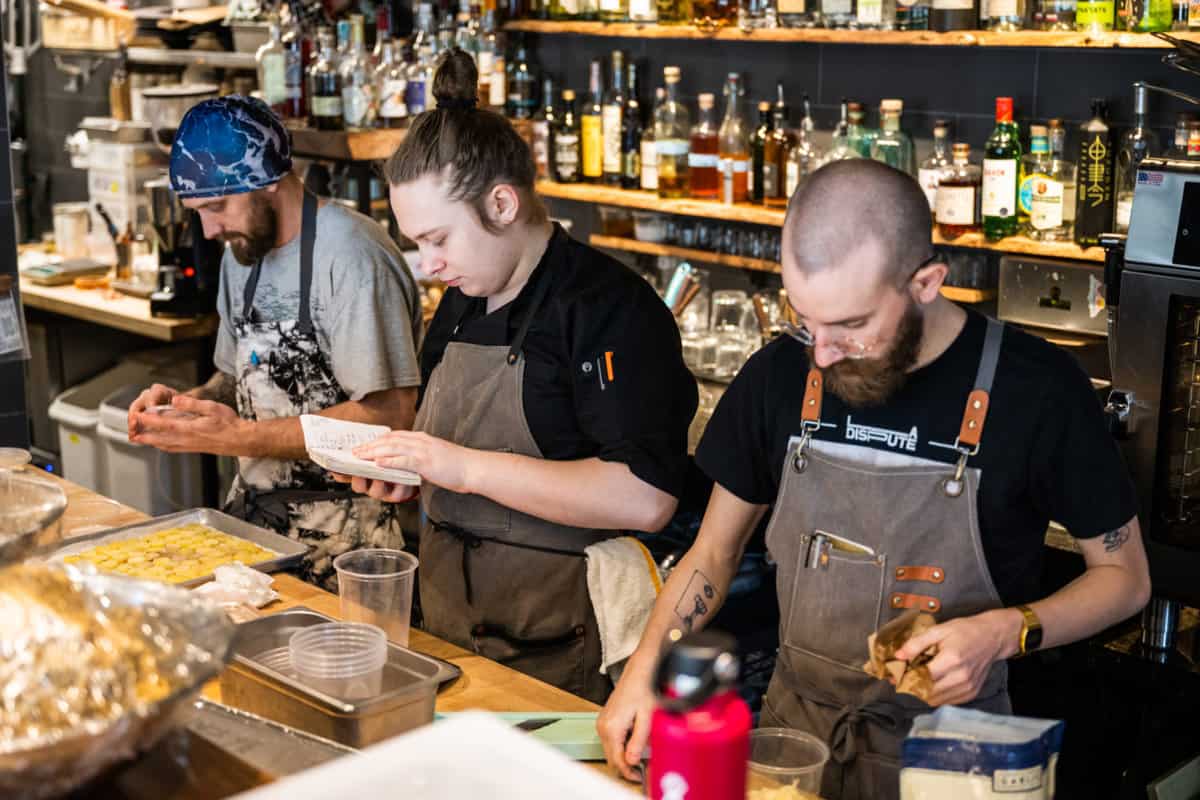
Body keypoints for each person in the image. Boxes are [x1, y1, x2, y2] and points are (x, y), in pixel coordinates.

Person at [596, 160, 1152, 799]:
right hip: (796, 741)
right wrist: (643, 670)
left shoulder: (1038, 391)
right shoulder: (780, 375)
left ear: (926, 282)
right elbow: (711, 557)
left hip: (955, 760)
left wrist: (1007, 630)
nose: (823, 352)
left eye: (852, 327)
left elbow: (1125, 579)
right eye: (806, 320)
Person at [337, 49, 698, 704]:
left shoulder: (607, 309)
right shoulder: (462, 300)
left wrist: (460, 468)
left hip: (560, 649)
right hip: (448, 636)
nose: (429, 265)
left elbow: (644, 496)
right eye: (418, 244)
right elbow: (450, 458)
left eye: (438, 240)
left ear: (502, 203)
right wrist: (409, 476)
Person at [128, 95, 423, 591]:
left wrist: (239, 437)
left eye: (217, 206)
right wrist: (187, 409)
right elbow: (238, 379)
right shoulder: (240, 255)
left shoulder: (352, 257)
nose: (210, 228)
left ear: (266, 181)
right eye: (198, 212)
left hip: (349, 550)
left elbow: (389, 416)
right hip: (254, 537)